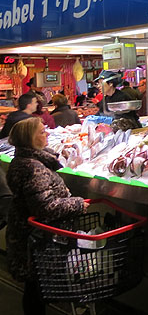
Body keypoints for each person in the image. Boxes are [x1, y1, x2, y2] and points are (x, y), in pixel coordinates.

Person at [6, 118, 88, 315]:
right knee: (36, 287)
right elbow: (45, 207)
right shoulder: (34, 167)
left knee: (36, 286)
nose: (47, 134)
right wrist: (77, 204)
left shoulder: (26, 161)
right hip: (35, 238)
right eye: (42, 132)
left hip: (30, 235)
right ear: (30, 139)